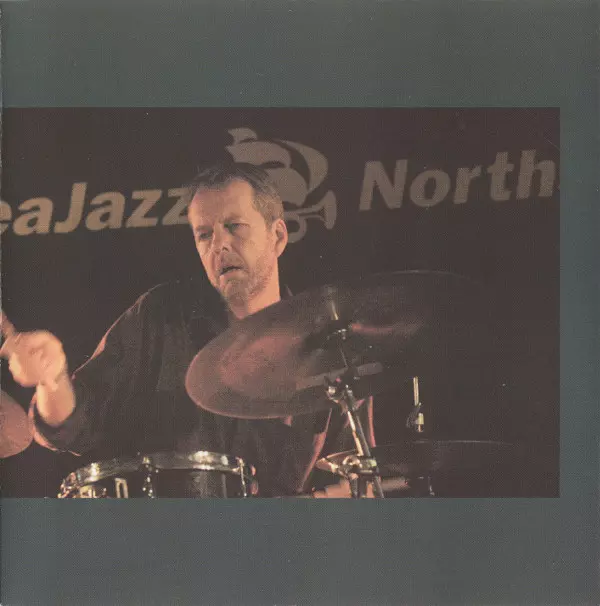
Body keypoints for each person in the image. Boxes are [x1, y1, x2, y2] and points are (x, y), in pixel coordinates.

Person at [1, 163, 374, 498]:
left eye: (234, 227)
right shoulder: (160, 316)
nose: (219, 245)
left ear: (277, 236)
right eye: (204, 234)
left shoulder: (331, 344)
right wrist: (52, 379)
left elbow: (358, 477)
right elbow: (75, 425)